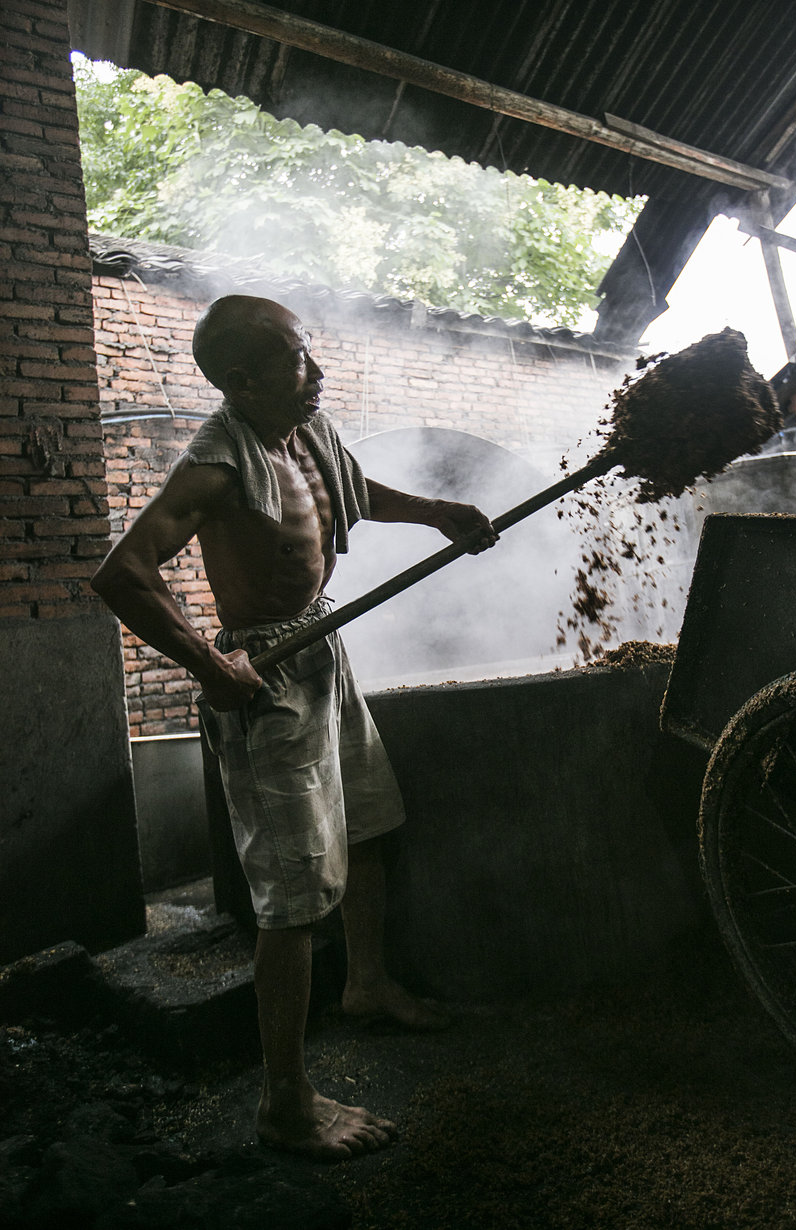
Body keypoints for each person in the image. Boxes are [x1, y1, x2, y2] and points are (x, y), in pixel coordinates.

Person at [91, 294, 498, 1161]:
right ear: (241, 381)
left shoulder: (306, 429)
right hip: (265, 680)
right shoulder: (216, 462)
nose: (317, 374)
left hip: (325, 654)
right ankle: (287, 1102)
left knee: (370, 825)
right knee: (292, 894)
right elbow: (123, 572)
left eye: (310, 356)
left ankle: (369, 984)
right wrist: (212, 666)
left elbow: (350, 491)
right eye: (298, 362)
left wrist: (438, 512)